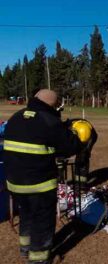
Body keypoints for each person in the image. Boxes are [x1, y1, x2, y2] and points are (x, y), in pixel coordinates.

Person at [3, 89, 82, 263]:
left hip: (14, 182)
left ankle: (25, 248)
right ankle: (38, 258)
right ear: (53, 105)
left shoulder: (15, 117)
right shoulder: (49, 121)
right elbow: (69, 148)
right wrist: (74, 134)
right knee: (42, 220)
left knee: (26, 214)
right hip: (39, 183)